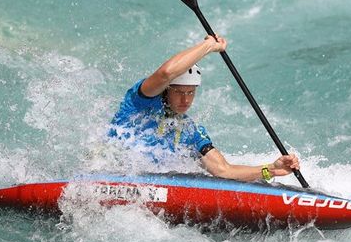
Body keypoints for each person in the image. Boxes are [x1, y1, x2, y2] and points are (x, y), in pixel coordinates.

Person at [109, 35, 300, 182]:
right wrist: (208, 45)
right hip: (110, 173)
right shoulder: (140, 101)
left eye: (191, 92)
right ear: (166, 91)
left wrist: (271, 170)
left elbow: (223, 170)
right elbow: (166, 73)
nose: (186, 99)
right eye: (179, 92)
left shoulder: (190, 130)